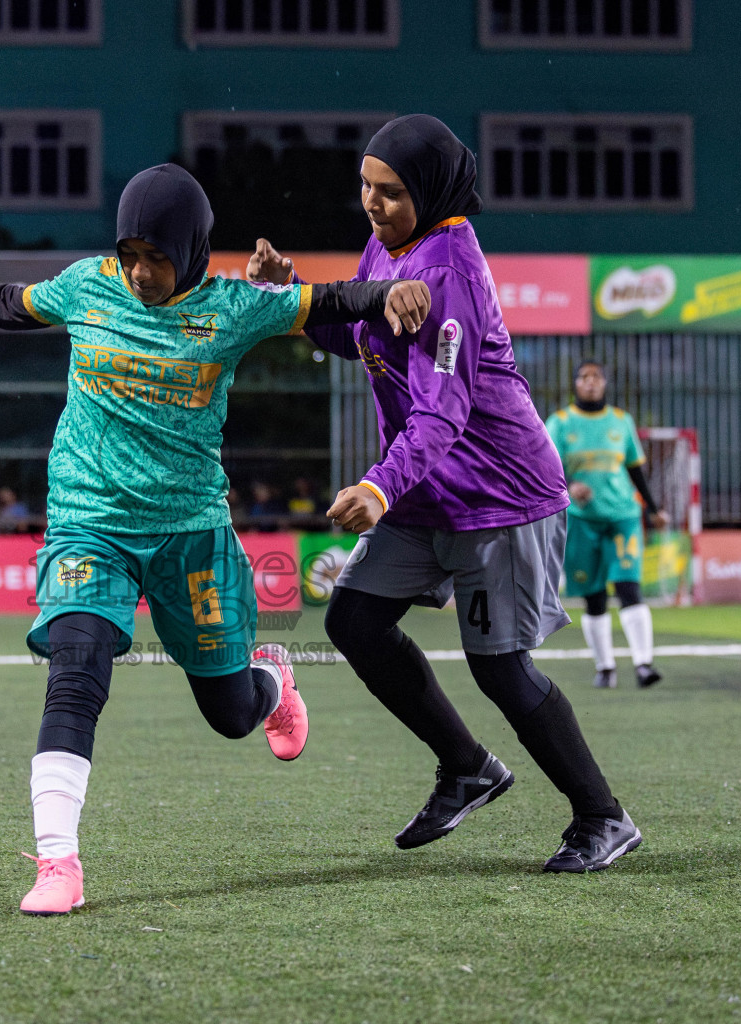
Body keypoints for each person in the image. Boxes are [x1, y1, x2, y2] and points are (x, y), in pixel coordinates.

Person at [0, 160, 431, 914]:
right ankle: (59, 864)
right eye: (130, 254)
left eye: (157, 256)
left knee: (229, 715)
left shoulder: (233, 307)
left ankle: (273, 681)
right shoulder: (88, 286)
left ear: (191, 250)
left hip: (191, 534)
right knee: (77, 667)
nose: (141, 272)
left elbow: (332, 298)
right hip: (88, 523)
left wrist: (390, 290)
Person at [250, 114, 639, 873]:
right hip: (428, 490)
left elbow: (443, 413)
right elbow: (357, 332)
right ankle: (467, 767)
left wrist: (377, 486)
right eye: (365, 184)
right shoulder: (395, 243)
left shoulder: (446, 271)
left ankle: (603, 816)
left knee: (499, 664)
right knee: (356, 620)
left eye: (390, 191)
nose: (371, 201)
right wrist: (288, 293)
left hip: (500, 495)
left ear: (426, 192)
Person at [547, 361, 668, 690]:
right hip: (581, 520)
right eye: (584, 377)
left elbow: (636, 470)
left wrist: (654, 509)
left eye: (596, 377)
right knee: (594, 596)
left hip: (623, 516)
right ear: (575, 384)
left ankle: (644, 664)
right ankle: (605, 667)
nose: (590, 383)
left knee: (629, 587)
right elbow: (546, 466)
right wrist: (570, 484)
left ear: (605, 383)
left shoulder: (621, 421)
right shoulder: (559, 423)